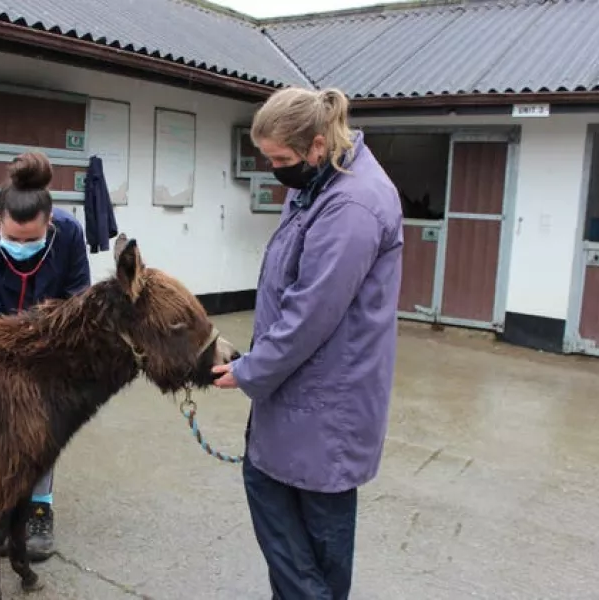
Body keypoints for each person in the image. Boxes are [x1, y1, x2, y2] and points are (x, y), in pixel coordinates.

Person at [212, 86, 403, 599]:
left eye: (281, 159)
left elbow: (308, 314)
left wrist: (250, 371)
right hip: (297, 392)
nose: (275, 170)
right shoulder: (314, 184)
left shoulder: (353, 205)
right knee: (277, 506)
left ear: (317, 145)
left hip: (329, 404)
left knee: (317, 542)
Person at [0, 150, 91, 562]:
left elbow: (77, 302)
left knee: (42, 430)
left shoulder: (69, 235)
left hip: (52, 346)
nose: (21, 246)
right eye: (12, 239)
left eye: (31, 239)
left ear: (49, 223)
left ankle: (38, 509)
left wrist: (50, 353)